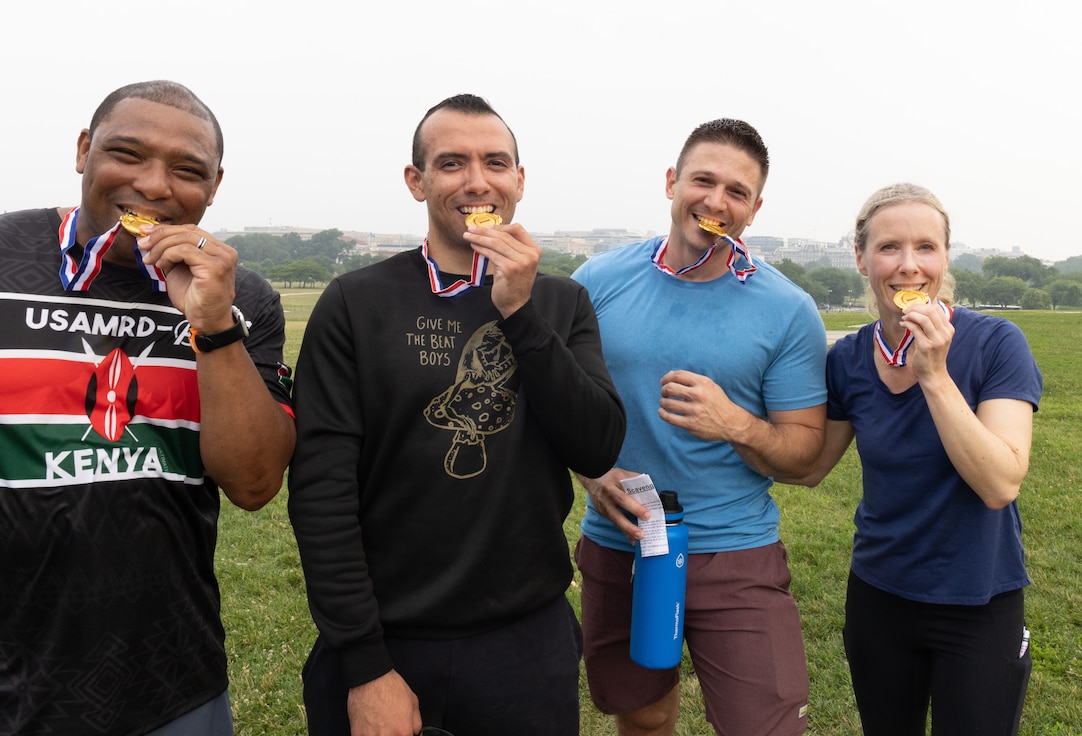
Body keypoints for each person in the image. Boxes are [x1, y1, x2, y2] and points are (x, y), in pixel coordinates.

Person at [287, 93, 626, 736]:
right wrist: (365, 666)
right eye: (451, 163)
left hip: (524, 642)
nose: (477, 180)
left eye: (496, 162)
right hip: (386, 640)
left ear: (519, 181)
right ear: (417, 182)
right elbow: (320, 493)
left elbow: (597, 446)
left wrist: (520, 313)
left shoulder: (561, 302)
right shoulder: (354, 303)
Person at [0, 81, 296, 735]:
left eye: (188, 171)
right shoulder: (5, 256)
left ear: (214, 186)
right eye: (127, 154)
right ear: (84, 151)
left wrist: (213, 324)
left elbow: (253, 483)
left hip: (170, 681)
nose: (155, 186)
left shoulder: (244, 295)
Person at [571, 119, 827, 736]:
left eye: (736, 192)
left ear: (754, 209)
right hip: (621, 541)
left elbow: (804, 459)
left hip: (736, 551)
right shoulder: (597, 283)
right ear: (671, 183)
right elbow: (553, 408)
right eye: (703, 181)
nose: (716, 202)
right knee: (644, 715)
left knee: (764, 727)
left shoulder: (787, 309)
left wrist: (736, 423)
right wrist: (596, 475)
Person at [780, 183, 1041, 735]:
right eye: (888, 248)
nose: (908, 266)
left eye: (925, 247)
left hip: (978, 598)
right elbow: (810, 467)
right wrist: (728, 419)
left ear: (945, 257)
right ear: (860, 258)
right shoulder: (848, 358)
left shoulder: (997, 344)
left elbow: (1000, 482)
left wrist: (934, 376)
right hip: (880, 597)